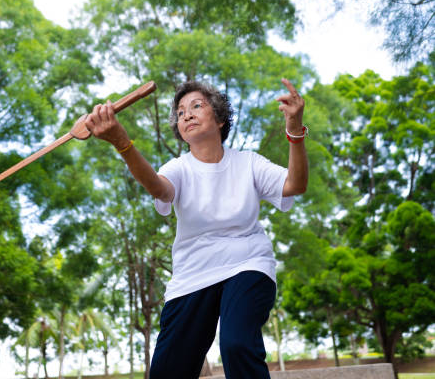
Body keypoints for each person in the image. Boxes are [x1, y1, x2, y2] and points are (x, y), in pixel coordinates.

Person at [84, 79, 308, 379]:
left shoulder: (248, 163)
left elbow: (295, 185)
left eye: (196, 106)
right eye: (180, 112)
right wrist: (122, 142)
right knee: (167, 371)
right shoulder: (178, 168)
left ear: (219, 119)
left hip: (248, 263)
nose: (186, 114)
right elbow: (159, 189)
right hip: (193, 274)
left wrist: (294, 129)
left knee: (237, 345)